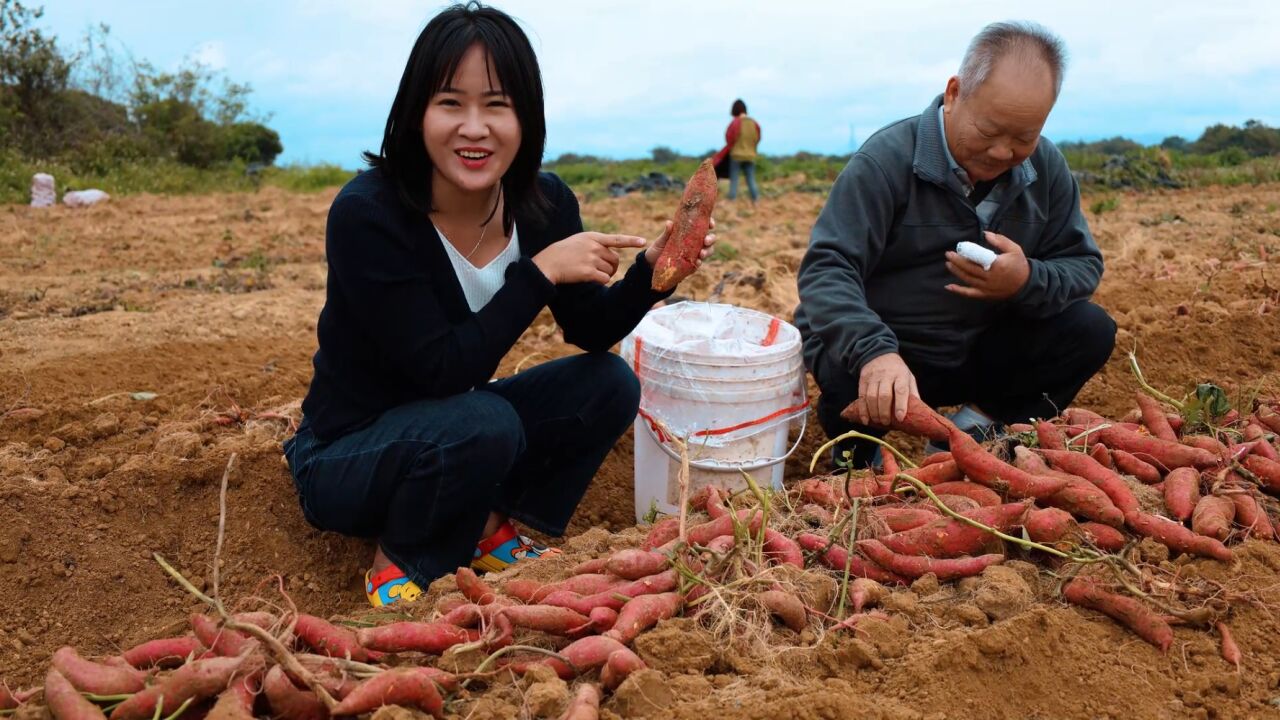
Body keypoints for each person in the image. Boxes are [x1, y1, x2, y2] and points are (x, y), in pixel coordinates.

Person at [283, 2, 716, 607]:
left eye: (496, 104)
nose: (474, 127)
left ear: (526, 116)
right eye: (450, 103)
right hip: (347, 455)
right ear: (416, 113)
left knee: (608, 383)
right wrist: (538, 274)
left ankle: (489, 523)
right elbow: (440, 370)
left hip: (455, 428)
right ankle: (402, 556)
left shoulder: (543, 203)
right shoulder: (370, 215)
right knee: (482, 423)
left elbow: (589, 331)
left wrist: (652, 274)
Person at [794, 21, 1116, 468]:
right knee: (850, 362)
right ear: (954, 93)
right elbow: (827, 268)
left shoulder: (1047, 170)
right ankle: (859, 458)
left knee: (1090, 329)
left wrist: (1026, 280)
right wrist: (875, 352)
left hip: (979, 349)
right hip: (893, 353)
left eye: (1023, 138)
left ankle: (977, 428)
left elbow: (1083, 265)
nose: (1003, 152)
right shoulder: (885, 162)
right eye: (989, 131)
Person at [712, 99, 761, 203]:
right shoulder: (754, 123)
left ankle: (732, 201)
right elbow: (757, 138)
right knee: (751, 179)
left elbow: (729, 138)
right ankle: (756, 201)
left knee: (734, 180)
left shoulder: (735, 122)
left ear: (734, 110)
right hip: (750, 156)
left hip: (736, 156)